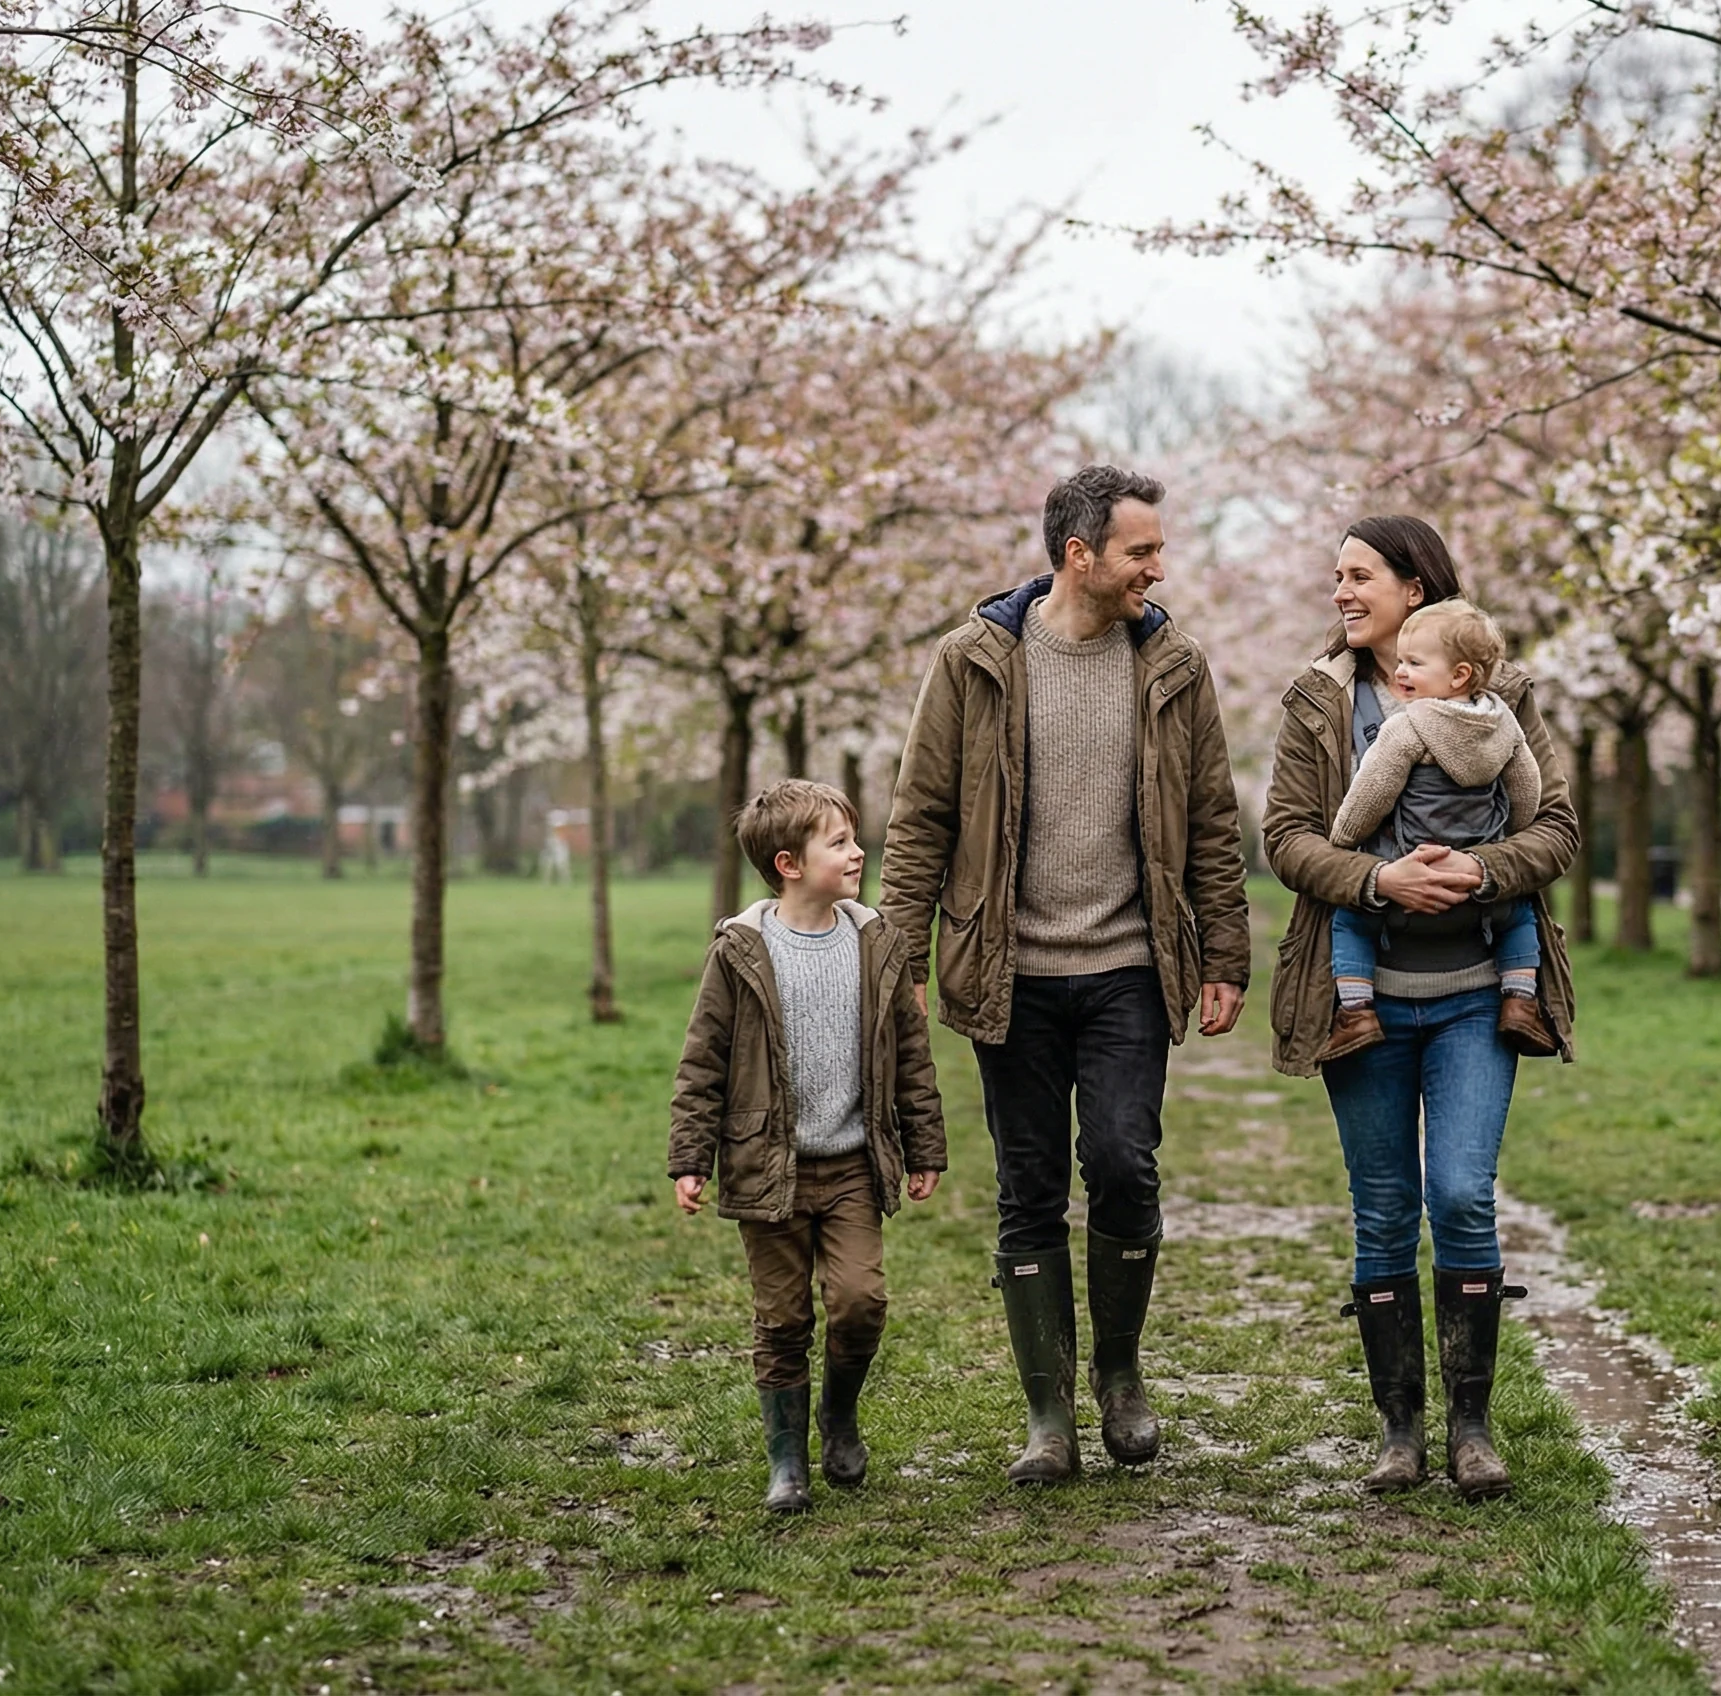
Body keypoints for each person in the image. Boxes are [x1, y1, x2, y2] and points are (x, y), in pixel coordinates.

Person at [881, 465, 1251, 1486]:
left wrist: (1223, 953)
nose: (1156, 568)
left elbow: (1213, 820)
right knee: (1027, 1186)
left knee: (1126, 1163)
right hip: (1011, 969)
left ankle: (1119, 1377)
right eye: (1140, 550)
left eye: (1157, 550)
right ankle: (1047, 1415)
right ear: (1078, 555)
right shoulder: (974, 661)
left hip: (1130, 963)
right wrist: (900, 956)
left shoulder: (1173, 663)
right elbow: (921, 817)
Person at [1262, 516, 1578, 1501]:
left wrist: (1478, 872)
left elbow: (1556, 825)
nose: (1341, 592)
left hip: (1476, 996)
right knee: (1384, 1208)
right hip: (1356, 993)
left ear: (1415, 587)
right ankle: (1399, 1431)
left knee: (1459, 1194)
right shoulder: (1316, 698)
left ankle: (1472, 1429)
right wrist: (1376, 883)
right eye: (1336, 577)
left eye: (1359, 576)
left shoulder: (1505, 694)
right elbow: (1283, 835)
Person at [668, 779, 946, 1512]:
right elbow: (704, 1060)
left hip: (854, 1161)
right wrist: (691, 1157)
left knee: (859, 1301)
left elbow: (911, 1055)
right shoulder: (741, 951)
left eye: (856, 838)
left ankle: (840, 1414)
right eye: (840, 842)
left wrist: (925, 1146)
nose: (859, 852)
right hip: (770, 1167)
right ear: (789, 864)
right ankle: (786, 1460)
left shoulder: (878, 941)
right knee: (783, 1317)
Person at [1323, 598, 1554, 1062]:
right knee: (1521, 915)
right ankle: (1520, 999)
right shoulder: (1502, 720)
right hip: (1481, 874)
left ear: (1459, 675)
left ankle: (1356, 1011)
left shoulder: (1406, 726)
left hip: (1414, 864)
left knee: (1349, 920)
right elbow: (1528, 788)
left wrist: (1342, 840)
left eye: (1414, 663)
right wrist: (1511, 835)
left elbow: (1372, 794)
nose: (1400, 672)